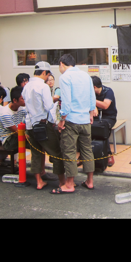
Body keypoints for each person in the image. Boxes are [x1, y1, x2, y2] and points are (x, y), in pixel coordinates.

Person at [23, 61, 66, 191]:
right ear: (44, 73)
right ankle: (62, 182)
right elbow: (48, 106)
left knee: (36, 153)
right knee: (56, 153)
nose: (48, 77)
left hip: (30, 125)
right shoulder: (43, 87)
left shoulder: (26, 86)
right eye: (48, 74)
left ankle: (39, 182)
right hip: (43, 125)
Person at [57, 54, 97, 193]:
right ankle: (90, 181)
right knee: (87, 150)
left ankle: (69, 184)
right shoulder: (85, 76)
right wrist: (91, 114)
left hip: (71, 120)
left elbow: (66, 101)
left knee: (69, 151)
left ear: (62, 64)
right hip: (85, 119)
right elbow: (92, 96)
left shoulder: (65, 77)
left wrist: (62, 119)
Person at [0, 86, 27, 163]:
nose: (25, 101)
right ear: (15, 100)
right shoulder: (5, 113)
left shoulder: (22, 108)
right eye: (23, 99)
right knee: (34, 141)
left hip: (16, 135)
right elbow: (17, 132)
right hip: (8, 140)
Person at [92, 75, 117, 167]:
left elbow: (105, 105)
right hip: (96, 117)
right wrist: (94, 106)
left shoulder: (108, 91)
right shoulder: (91, 93)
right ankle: (85, 155)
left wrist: (92, 102)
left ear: (94, 87)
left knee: (102, 128)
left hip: (109, 117)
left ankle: (108, 154)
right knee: (87, 126)